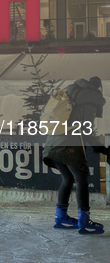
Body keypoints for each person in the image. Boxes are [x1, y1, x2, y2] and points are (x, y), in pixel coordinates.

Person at [43, 76, 107, 234]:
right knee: (82, 179)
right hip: (69, 144)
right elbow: (86, 130)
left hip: (52, 143)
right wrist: (102, 148)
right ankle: (84, 221)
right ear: (99, 89)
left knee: (68, 178)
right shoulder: (90, 99)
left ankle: (61, 217)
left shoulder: (71, 92)